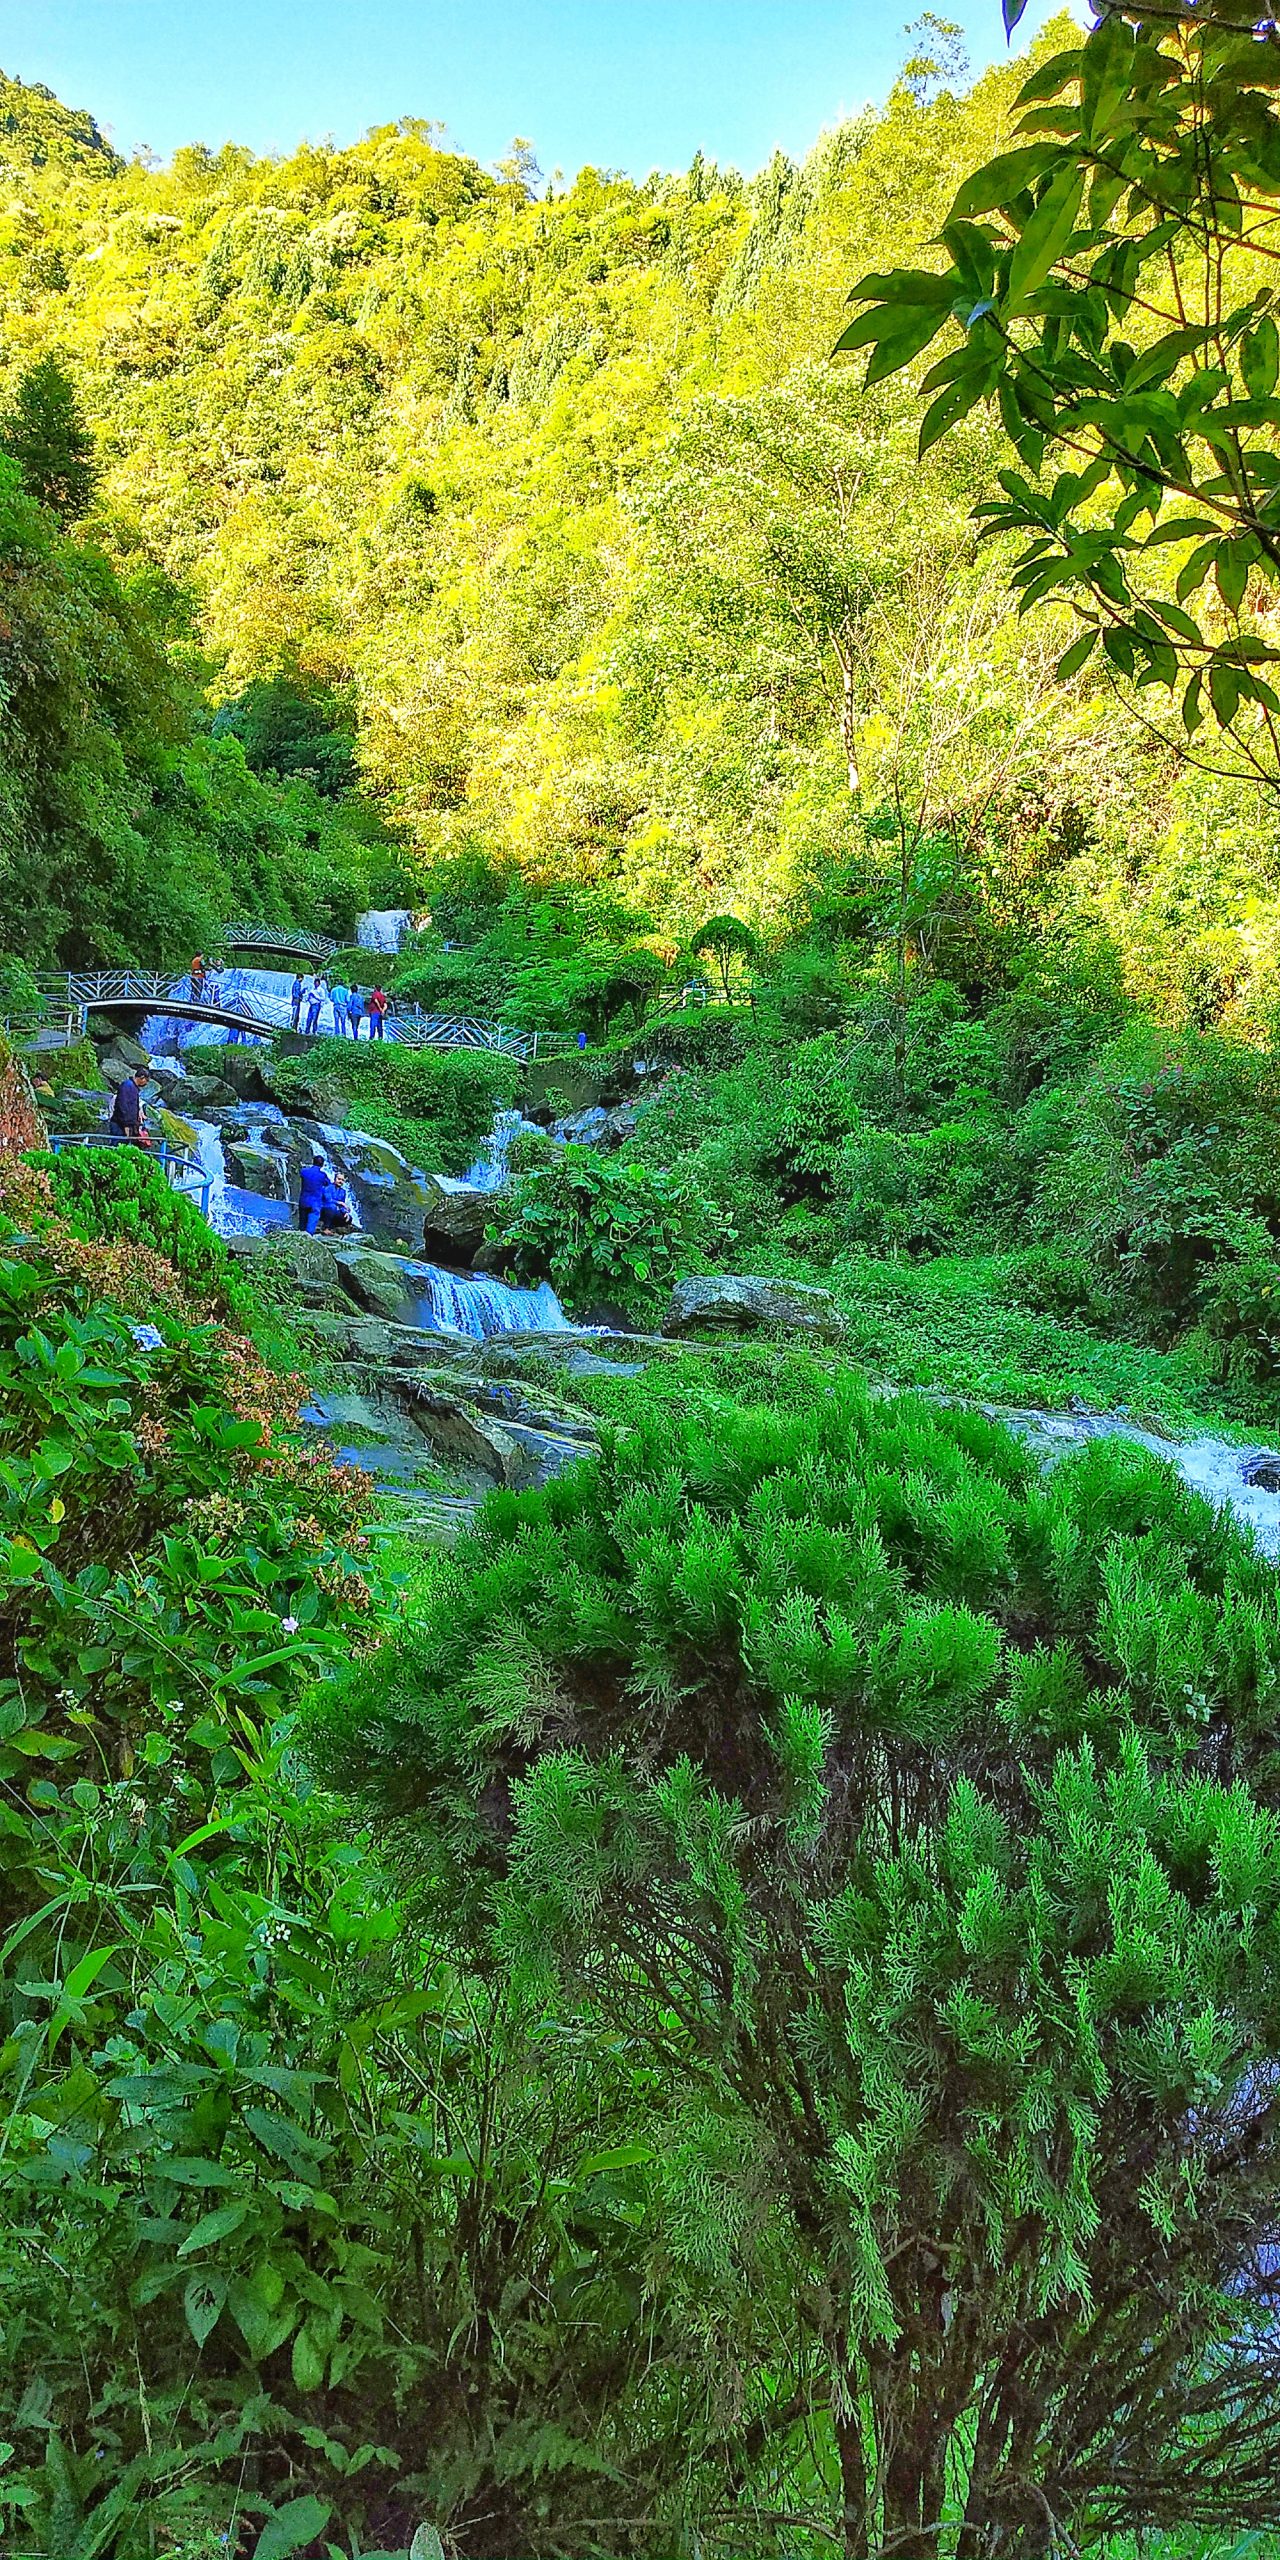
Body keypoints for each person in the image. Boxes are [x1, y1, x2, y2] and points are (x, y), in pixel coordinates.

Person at [109, 1067, 150, 1144]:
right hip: (120, 1125)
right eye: (146, 1080)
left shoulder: (132, 1087)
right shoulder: (127, 1086)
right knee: (117, 1146)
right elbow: (122, 1107)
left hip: (125, 1125)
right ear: (142, 1078)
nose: (146, 1083)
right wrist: (126, 1125)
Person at [298, 1155, 327, 1234]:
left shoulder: (304, 1171)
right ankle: (308, 1239)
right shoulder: (322, 1175)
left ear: (312, 1161)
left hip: (303, 1201)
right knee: (310, 1227)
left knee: (302, 1225)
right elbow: (327, 1183)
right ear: (322, 1164)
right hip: (315, 1203)